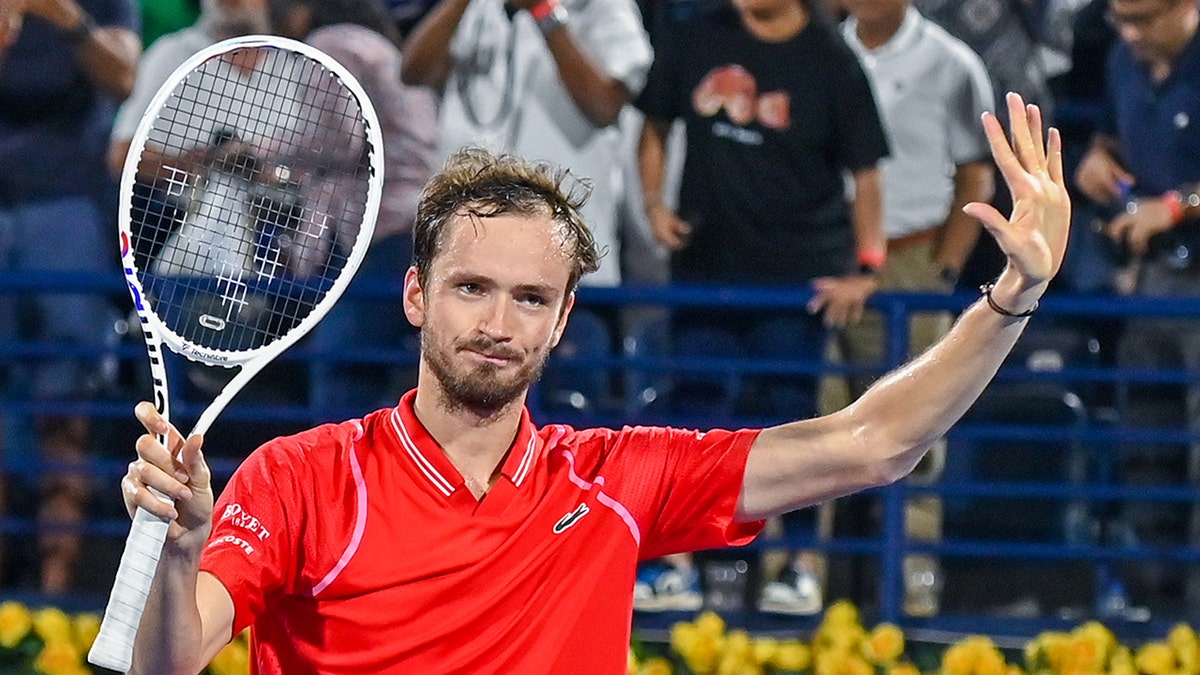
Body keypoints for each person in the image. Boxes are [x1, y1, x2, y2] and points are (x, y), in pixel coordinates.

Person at [118, 92, 1068, 673]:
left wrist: (1011, 296)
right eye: (472, 289)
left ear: (566, 318)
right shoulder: (300, 475)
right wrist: (174, 550)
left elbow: (872, 442)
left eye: (531, 297)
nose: (498, 323)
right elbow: (166, 662)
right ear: (416, 295)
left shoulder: (613, 480)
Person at [634, 0, 888, 615]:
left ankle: (795, 568)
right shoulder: (695, 35)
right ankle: (675, 565)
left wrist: (867, 268)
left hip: (797, 277)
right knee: (692, 416)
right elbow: (653, 124)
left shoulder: (832, 60)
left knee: (790, 418)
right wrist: (653, 203)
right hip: (706, 269)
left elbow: (868, 174)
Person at [830, 0, 995, 617]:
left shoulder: (952, 64)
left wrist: (941, 272)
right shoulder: (822, 50)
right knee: (807, 426)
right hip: (829, 258)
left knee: (920, 427)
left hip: (910, 260)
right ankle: (797, 580)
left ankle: (913, 586)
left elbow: (975, 177)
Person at [0, 0, 139, 593]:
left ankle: (53, 602)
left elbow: (124, 75)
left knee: (67, 411)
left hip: (66, 211)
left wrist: (62, 16)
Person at [1073, 0, 1200, 616]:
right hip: (1150, 285)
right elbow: (1107, 135)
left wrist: (1177, 206)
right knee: (1147, 451)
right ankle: (1163, 615)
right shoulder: (1125, 60)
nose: (1130, 33)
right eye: (1122, 20)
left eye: (1145, 19)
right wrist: (1097, 160)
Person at [399, 0, 653, 290]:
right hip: (468, 242)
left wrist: (543, 12)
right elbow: (413, 72)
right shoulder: (478, 6)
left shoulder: (603, 6)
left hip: (563, 247)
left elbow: (604, 105)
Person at [268, 0, 439, 419]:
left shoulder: (333, 44)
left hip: (386, 231)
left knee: (339, 363)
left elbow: (337, 139)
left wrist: (261, 153)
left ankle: (343, 482)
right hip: (419, 226)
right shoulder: (380, 46)